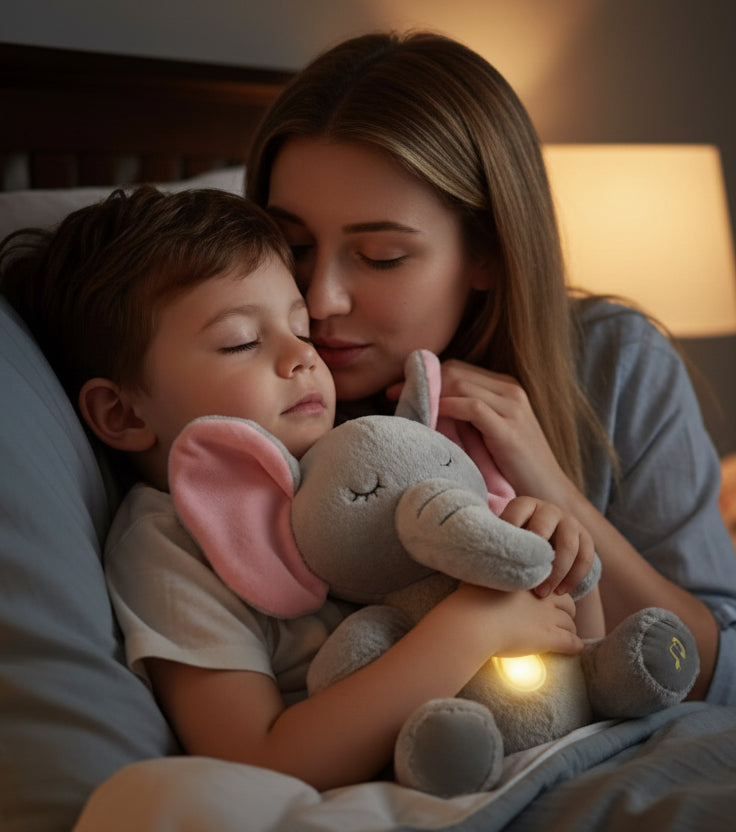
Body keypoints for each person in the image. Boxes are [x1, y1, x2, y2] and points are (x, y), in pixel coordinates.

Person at [0, 184, 591, 791]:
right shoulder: (169, 550)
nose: (304, 358)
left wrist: (556, 556)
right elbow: (259, 762)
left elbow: (578, 641)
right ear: (123, 415)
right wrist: (473, 628)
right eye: (242, 342)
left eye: (301, 329)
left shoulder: (373, 461)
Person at [244, 30, 736, 709]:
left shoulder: (615, 361)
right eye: (295, 247)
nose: (320, 301)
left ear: (486, 251)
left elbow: (735, 685)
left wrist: (552, 486)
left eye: (379, 256)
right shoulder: (239, 384)